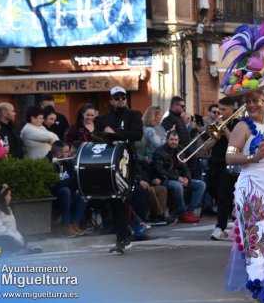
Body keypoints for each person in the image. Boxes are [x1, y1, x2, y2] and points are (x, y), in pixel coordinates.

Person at [225, 89, 264, 303]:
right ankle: (258, 285)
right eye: (248, 101)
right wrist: (254, 157)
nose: (251, 105)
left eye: (256, 100)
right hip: (251, 186)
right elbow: (229, 156)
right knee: (257, 234)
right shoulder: (242, 126)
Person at [95, 86, 143, 254]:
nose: (121, 100)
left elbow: (137, 134)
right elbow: (96, 136)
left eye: (123, 97)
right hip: (109, 162)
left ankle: (122, 238)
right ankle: (123, 234)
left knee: (123, 200)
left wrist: (115, 133)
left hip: (126, 161)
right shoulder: (104, 118)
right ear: (111, 101)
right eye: (117, 98)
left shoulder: (134, 115)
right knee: (112, 200)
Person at [152, 130, 205, 223]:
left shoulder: (180, 149)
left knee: (201, 184)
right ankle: (182, 212)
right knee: (177, 185)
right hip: (165, 179)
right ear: (167, 140)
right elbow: (160, 170)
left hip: (178, 178)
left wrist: (187, 178)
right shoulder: (160, 151)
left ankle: (190, 211)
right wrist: (177, 178)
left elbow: (185, 168)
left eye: (176, 140)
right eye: (171, 139)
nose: (174, 142)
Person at [208, 97, 239, 240]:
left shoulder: (238, 124)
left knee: (223, 196)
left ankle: (220, 227)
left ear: (232, 109)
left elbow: (235, 141)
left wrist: (225, 128)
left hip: (229, 164)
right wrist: (214, 134)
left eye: (223, 110)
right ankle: (231, 220)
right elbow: (207, 146)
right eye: (219, 109)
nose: (219, 113)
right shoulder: (217, 123)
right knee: (214, 192)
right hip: (215, 162)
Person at [48, 141, 87, 238]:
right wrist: (67, 182)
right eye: (66, 151)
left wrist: (64, 183)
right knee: (65, 190)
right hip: (56, 194)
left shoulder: (67, 162)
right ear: (58, 154)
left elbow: (76, 179)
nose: (69, 153)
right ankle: (66, 226)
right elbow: (54, 185)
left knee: (84, 193)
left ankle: (75, 224)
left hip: (68, 191)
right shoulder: (49, 163)